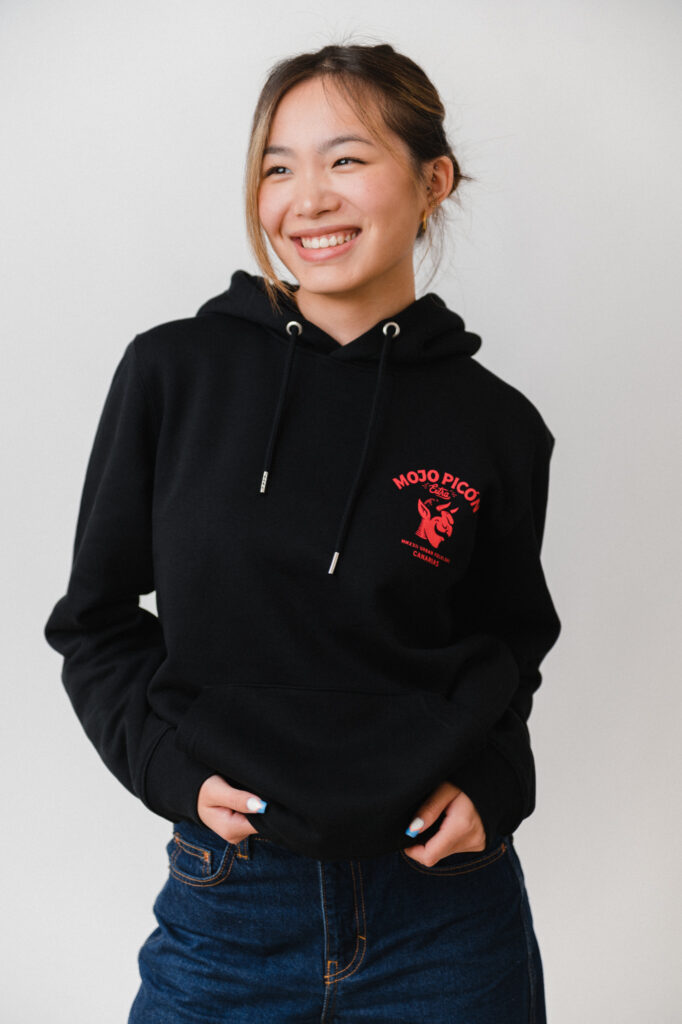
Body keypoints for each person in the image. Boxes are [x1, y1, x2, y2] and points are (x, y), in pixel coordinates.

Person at [44, 41, 561, 1023]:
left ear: (433, 180)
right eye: (277, 167)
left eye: (346, 159)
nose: (307, 199)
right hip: (230, 903)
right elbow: (95, 622)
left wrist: (494, 782)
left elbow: (509, 643)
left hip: (446, 915)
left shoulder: (497, 424)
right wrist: (169, 767)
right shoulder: (173, 374)